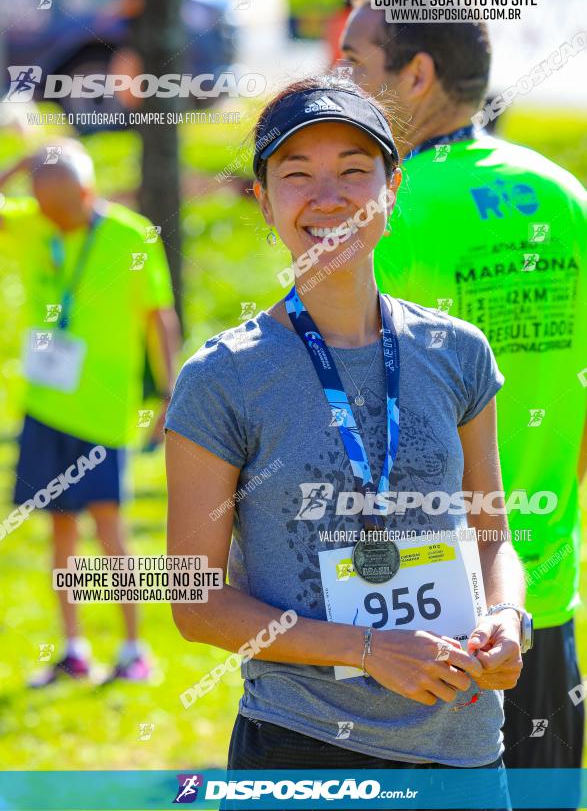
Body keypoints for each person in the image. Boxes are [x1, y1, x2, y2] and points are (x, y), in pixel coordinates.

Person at [166, 75, 529, 796]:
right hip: (304, 752)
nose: (326, 197)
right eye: (296, 175)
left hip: (463, 746)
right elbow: (196, 602)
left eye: (353, 173)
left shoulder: (457, 352)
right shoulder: (222, 377)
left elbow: (491, 537)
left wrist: (507, 617)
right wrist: (368, 650)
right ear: (265, 201)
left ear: (390, 193)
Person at [339, 0, 587, 771]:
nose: (339, 81)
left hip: (420, 621)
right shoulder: (564, 195)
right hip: (541, 601)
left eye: (353, 62)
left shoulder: (389, 208)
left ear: (415, 76)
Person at [0, 141, 180, 685]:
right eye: (43, 207)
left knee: (110, 531)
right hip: (45, 405)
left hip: (105, 410)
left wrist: (169, 394)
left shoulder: (130, 237)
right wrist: (28, 162)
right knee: (59, 531)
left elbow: (159, 318)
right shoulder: (35, 223)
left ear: (88, 192)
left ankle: (131, 650)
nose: (52, 220)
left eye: (61, 209)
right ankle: (74, 651)